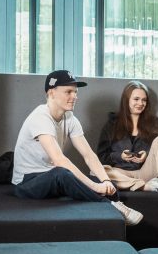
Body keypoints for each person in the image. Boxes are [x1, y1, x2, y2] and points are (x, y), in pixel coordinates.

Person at [11, 70, 143, 225]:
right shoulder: (40, 117)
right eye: (68, 92)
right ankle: (111, 207)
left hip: (50, 176)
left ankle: (117, 216)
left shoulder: (69, 118)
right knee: (62, 173)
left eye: (75, 92)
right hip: (27, 183)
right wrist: (95, 186)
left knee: (109, 185)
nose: (74, 96)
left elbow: (88, 155)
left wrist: (105, 181)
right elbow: (59, 160)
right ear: (51, 93)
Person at [97, 80, 158, 206]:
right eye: (136, 99)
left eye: (144, 100)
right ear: (126, 100)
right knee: (96, 171)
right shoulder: (111, 125)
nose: (140, 103)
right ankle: (145, 187)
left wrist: (146, 154)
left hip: (146, 172)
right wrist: (120, 156)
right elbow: (101, 157)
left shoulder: (154, 124)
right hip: (121, 174)